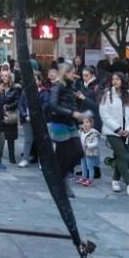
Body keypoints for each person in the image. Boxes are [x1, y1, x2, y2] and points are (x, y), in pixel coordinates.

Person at [99, 72, 129, 198]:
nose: (115, 81)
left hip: (127, 131)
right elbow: (104, 113)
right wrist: (117, 129)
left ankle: (115, 180)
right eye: (113, 79)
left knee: (119, 155)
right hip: (112, 131)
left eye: (117, 79)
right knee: (122, 154)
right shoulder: (107, 95)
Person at [47, 63, 85, 198]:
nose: (73, 75)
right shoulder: (58, 86)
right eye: (71, 72)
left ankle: (61, 177)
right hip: (59, 122)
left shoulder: (71, 87)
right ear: (65, 73)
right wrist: (72, 113)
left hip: (70, 122)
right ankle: (61, 181)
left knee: (78, 152)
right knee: (63, 155)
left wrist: (77, 115)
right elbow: (53, 105)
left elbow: (72, 104)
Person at [77, 116, 101, 187]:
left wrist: (89, 145)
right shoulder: (81, 132)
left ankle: (90, 179)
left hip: (89, 152)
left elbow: (96, 143)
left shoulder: (94, 133)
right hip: (82, 152)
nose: (85, 124)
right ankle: (84, 177)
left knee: (89, 166)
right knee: (83, 165)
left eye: (87, 122)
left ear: (91, 123)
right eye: (83, 122)